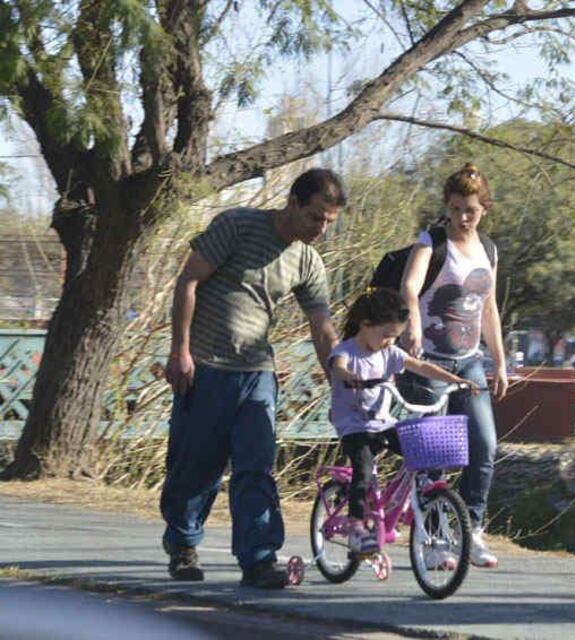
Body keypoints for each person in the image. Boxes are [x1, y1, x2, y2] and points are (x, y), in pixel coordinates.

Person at [160, 169, 345, 589]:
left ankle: (259, 559)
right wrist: (180, 350)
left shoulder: (307, 260)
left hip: (257, 372)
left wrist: (341, 380)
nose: (321, 229)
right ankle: (184, 544)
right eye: (316, 217)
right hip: (205, 367)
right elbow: (189, 280)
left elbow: (322, 327)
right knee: (196, 468)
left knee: (255, 468)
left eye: (330, 222)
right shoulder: (237, 226)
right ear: (294, 203)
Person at [399, 162, 508, 569]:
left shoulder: (489, 250)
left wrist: (499, 362)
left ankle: (472, 530)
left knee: (485, 446)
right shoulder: (432, 241)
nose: (463, 217)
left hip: (470, 363)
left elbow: (490, 308)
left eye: (471, 210)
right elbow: (410, 289)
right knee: (436, 457)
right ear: (446, 205)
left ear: (485, 210)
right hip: (428, 362)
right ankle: (434, 540)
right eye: (457, 208)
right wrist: (412, 323)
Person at [328, 289, 474, 554]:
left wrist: (456, 380)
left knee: (419, 449)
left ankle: (416, 496)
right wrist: (349, 377)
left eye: (394, 336)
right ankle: (357, 526)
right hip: (354, 426)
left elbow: (420, 366)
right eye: (386, 335)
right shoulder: (346, 351)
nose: (390, 341)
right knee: (362, 468)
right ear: (365, 325)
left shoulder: (389, 352)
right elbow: (338, 366)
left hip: (383, 422)